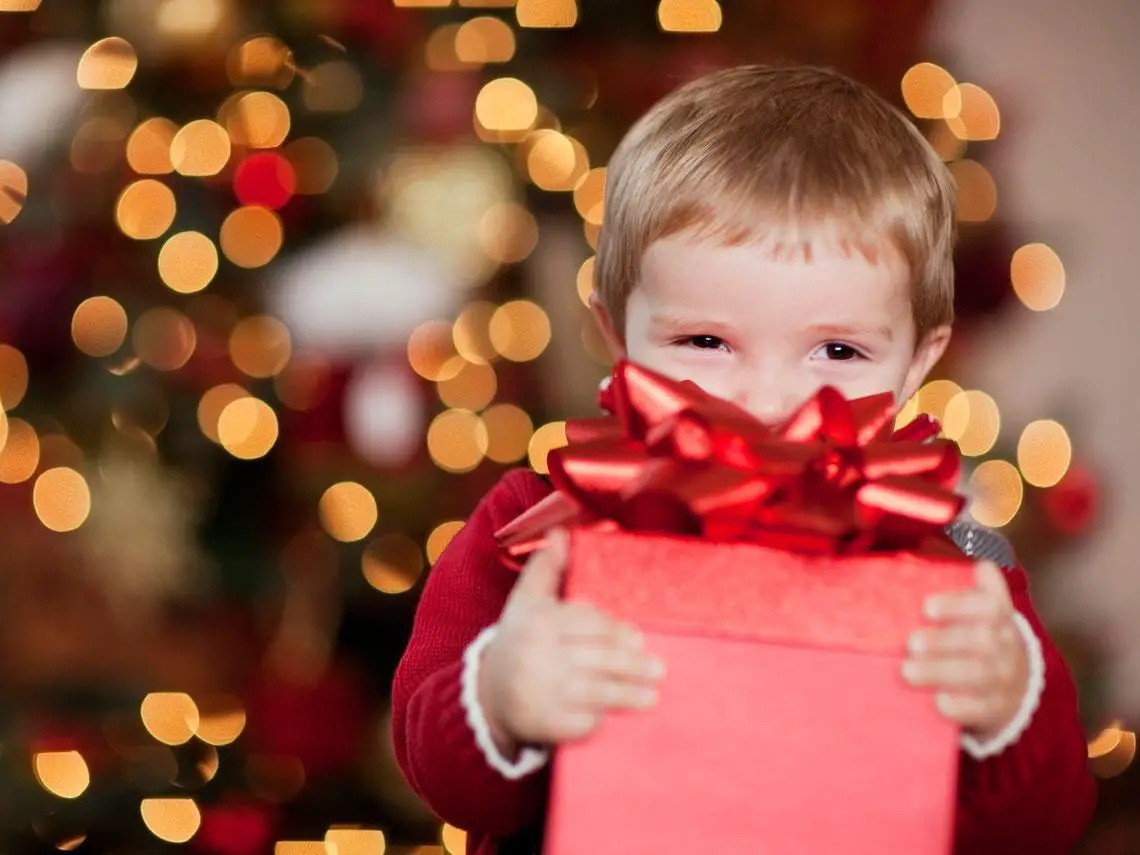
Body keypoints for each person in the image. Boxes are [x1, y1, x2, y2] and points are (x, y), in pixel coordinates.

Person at [391, 65, 1096, 855]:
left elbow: (1047, 826)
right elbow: (433, 766)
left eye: (837, 349)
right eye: (706, 342)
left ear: (917, 362)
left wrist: (1004, 710)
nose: (767, 399)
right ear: (617, 333)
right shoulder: (536, 523)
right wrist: (498, 697)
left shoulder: (958, 568)